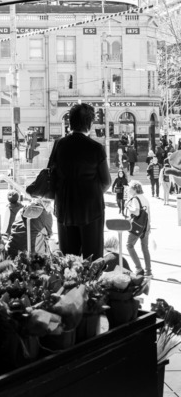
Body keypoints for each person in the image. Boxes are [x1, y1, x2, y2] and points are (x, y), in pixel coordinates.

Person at [48, 102, 111, 260]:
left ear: (70, 122)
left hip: (65, 209)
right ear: (89, 123)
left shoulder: (59, 145)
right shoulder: (96, 148)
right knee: (93, 259)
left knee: (69, 261)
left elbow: (51, 174)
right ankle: (91, 284)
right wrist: (91, 193)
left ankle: (71, 283)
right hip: (91, 210)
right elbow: (106, 182)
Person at [126, 180, 152, 276]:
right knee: (145, 248)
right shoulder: (145, 198)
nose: (128, 190)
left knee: (129, 245)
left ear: (134, 189)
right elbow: (149, 214)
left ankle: (138, 268)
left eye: (129, 188)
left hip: (137, 226)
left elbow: (136, 212)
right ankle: (148, 271)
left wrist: (128, 207)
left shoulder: (135, 199)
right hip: (146, 226)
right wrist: (149, 227)